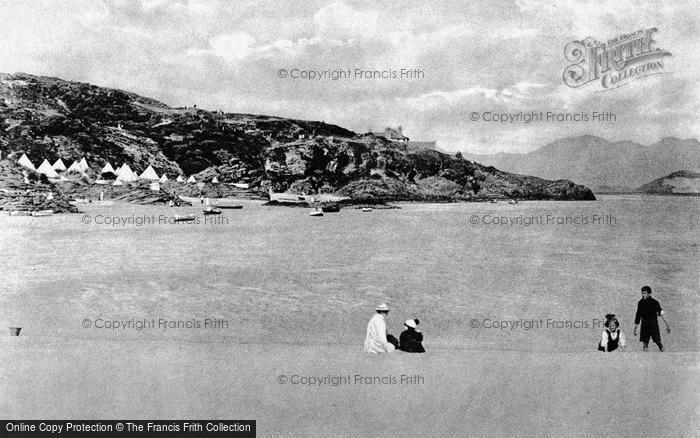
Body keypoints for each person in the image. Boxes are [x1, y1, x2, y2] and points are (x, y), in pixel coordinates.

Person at [634, 286, 671, 351]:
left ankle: (662, 349)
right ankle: (645, 355)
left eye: (645, 293)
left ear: (649, 293)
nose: (643, 295)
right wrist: (635, 327)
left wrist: (667, 324)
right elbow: (638, 315)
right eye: (642, 293)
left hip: (653, 323)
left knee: (657, 340)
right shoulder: (640, 303)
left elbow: (660, 312)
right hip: (644, 323)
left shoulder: (654, 302)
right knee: (645, 341)